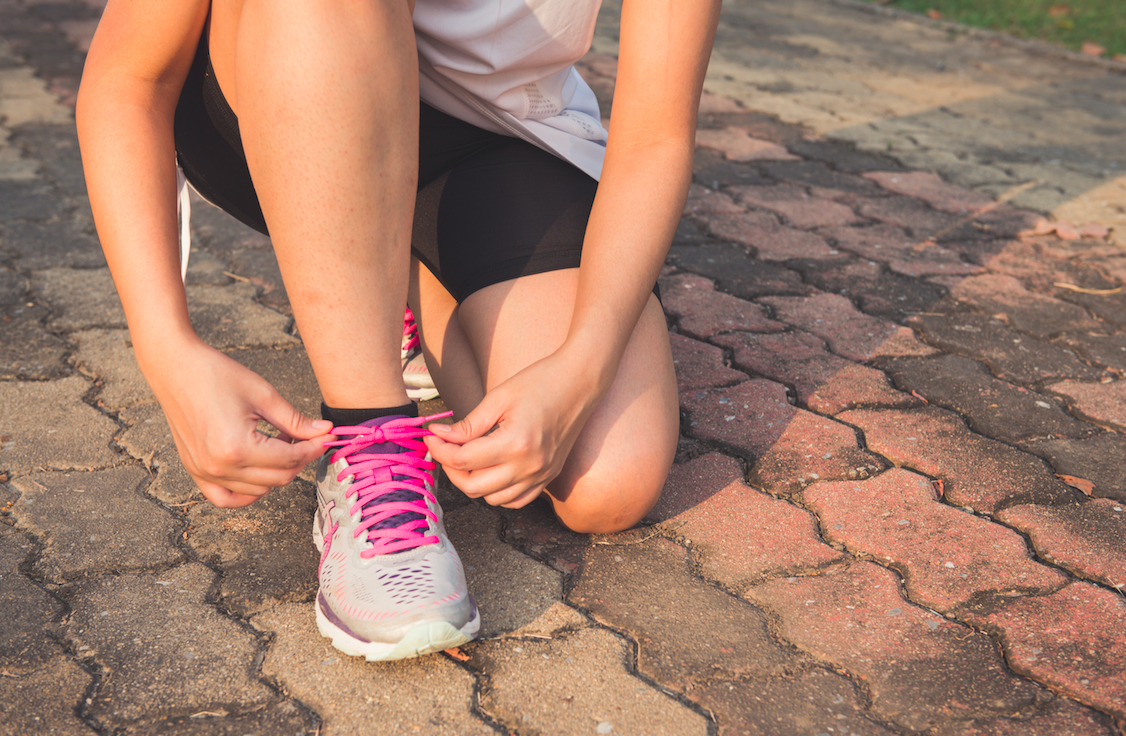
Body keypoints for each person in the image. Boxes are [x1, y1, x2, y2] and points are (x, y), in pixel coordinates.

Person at [76, 0, 721, 660]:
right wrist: (164, 344)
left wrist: (581, 364)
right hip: (284, 76)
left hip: (498, 135)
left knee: (607, 482)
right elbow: (128, 80)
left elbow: (655, 137)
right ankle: (368, 439)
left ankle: (388, 275)